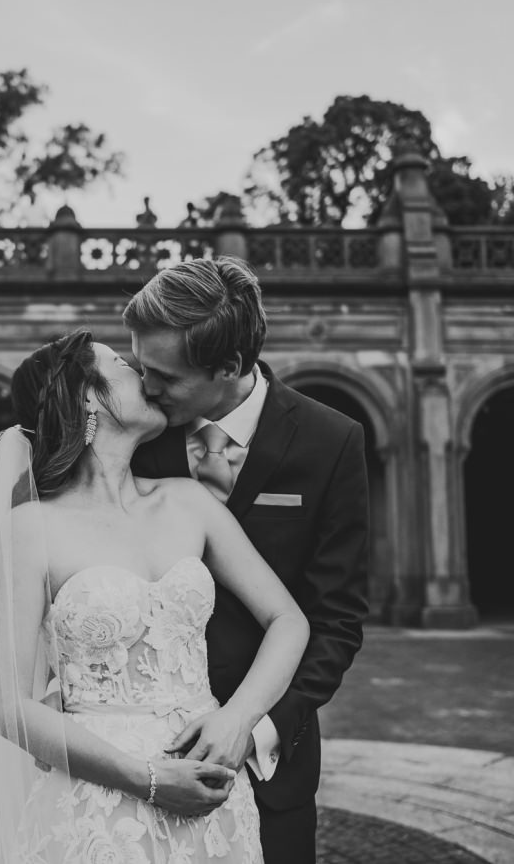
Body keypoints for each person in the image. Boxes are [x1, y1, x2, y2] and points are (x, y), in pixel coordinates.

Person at [0, 328, 309, 863]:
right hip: (98, 803)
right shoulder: (30, 530)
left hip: (212, 794)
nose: (144, 374)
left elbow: (288, 619)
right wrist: (148, 780)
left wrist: (238, 716)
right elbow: (7, 706)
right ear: (87, 399)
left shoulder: (189, 502)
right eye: (123, 365)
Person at [126, 256, 372, 864]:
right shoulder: (132, 435)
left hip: (269, 766)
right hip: (140, 756)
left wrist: (252, 726)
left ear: (228, 366)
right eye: (138, 366)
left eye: (164, 376)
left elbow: (336, 619)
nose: (146, 387)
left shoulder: (331, 442)